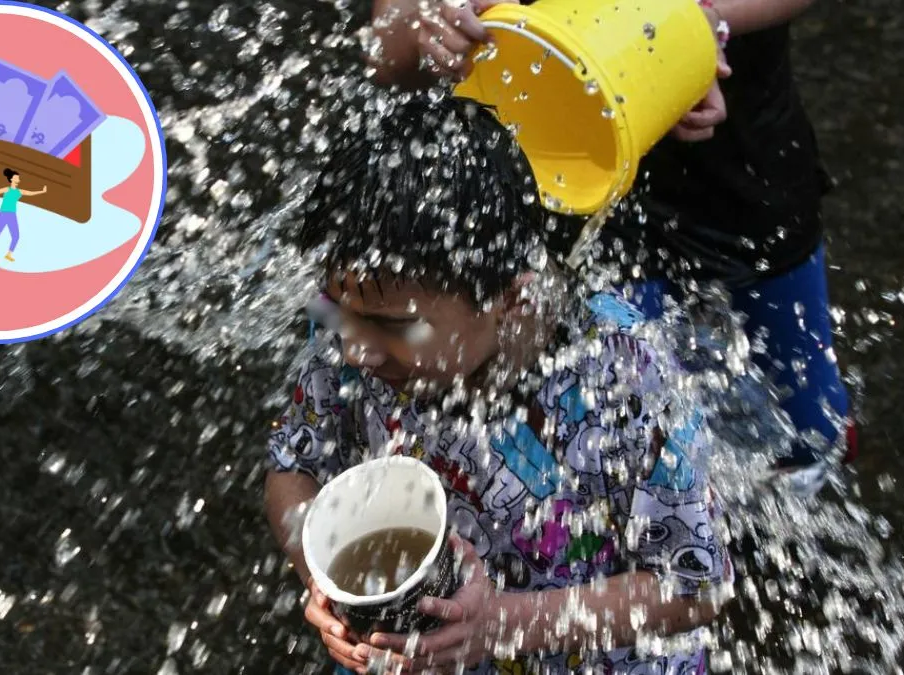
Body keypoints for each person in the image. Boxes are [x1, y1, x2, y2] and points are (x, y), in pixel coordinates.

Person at [265, 97, 733, 675]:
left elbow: (697, 587)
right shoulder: (355, 319)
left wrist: (502, 625)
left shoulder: (621, 380)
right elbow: (292, 465)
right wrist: (320, 574)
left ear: (514, 300)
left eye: (395, 328)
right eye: (340, 310)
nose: (357, 351)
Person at [363, 0, 855, 493]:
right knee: (618, 437)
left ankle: (805, 480)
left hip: (742, 182)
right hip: (567, 186)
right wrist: (434, 25)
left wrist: (693, 24)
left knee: (809, 425)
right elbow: (387, 50)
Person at [0, 168, 46, 262]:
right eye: (16, 177)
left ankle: (8, 254)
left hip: (12, 215)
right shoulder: (7, 189)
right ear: (11, 179)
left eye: (18, 178)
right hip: (3, 214)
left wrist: (42, 191)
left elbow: (30, 193)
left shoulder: (19, 191)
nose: (18, 179)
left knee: (16, 236)